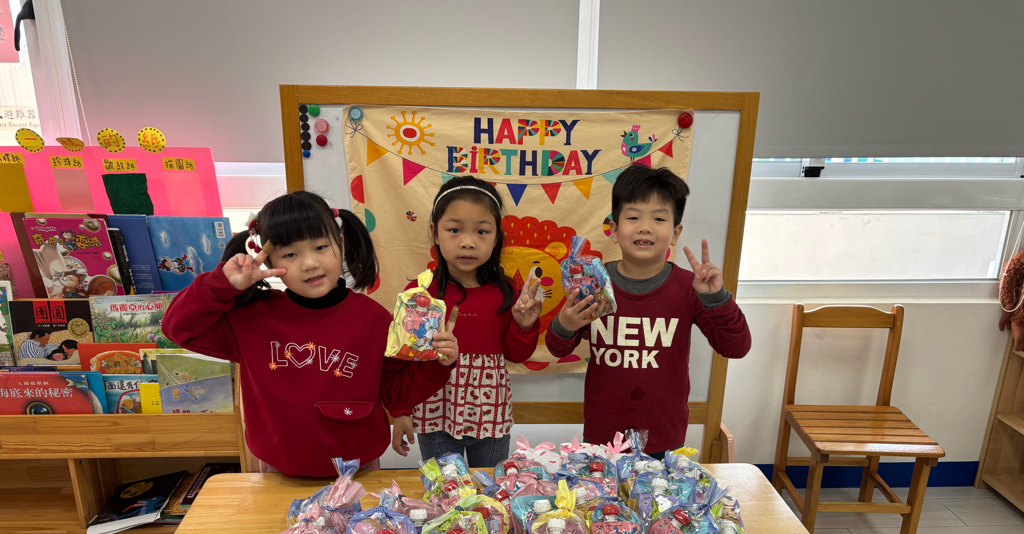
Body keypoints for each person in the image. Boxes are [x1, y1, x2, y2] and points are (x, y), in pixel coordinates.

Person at [162, 191, 460, 478]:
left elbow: (397, 391)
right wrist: (222, 284)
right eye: (290, 254)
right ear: (269, 262)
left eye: (320, 247)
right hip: (278, 471)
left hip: (358, 472)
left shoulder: (374, 319)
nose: (309, 263)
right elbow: (177, 328)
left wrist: (439, 364)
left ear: (340, 243)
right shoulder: (251, 317)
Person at [545, 164, 751, 457]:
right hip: (603, 438)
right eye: (633, 217)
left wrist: (717, 298)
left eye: (658, 218)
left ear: (675, 234)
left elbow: (735, 347)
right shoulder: (594, 283)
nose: (645, 226)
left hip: (664, 438)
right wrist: (565, 324)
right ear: (614, 230)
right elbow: (557, 348)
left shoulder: (689, 287)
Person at [390, 176, 543, 467]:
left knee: (491, 487)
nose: (468, 242)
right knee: (443, 488)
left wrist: (524, 326)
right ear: (435, 233)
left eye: (482, 231)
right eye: (455, 230)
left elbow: (516, 354)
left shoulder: (505, 292)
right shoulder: (420, 294)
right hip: (434, 410)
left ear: (496, 237)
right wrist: (400, 411)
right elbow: (401, 362)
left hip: (491, 413)